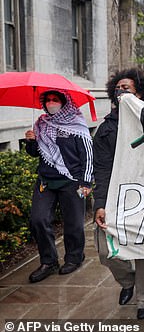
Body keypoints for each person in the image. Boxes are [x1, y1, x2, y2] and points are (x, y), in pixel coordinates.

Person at [93, 68, 144, 320]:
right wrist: (100, 203)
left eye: (127, 88)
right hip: (114, 196)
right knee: (105, 250)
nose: (121, 92)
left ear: (140, 94)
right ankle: (128, 281)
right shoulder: (105, 129)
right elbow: (100, 168)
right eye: (118, 88)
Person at [25, 90, 93, 283]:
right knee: (38, 220)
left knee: (74, 223)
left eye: (55, 100)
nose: (51, 103)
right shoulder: (41, 123)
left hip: (72, 181)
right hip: (46, 181)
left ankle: (74, 257)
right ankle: (48, 262)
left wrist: (86, 182)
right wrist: (30, 141)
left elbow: (87, 155)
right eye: (47, 100)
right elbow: (35, 153)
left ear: (64, 102)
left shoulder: (77, 124)